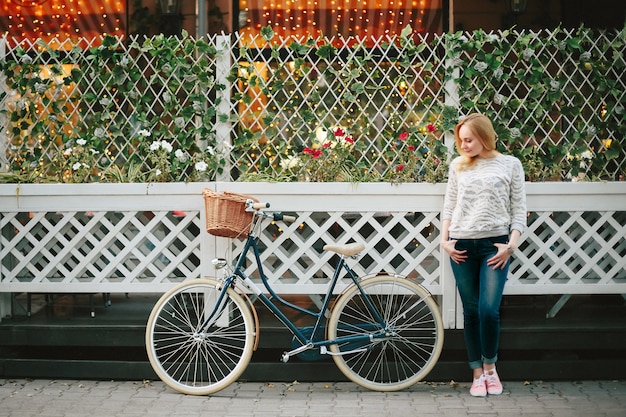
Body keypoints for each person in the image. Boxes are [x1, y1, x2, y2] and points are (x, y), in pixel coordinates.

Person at [440, 113, 527, 397]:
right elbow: (450, 206)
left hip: (495, 247)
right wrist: (445, 241)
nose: (463, 145)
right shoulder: (458, 166)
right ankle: (477, 373)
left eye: (469, 139)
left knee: (489, 310)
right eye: (460, 140)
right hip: (462, 245)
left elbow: (519, 210)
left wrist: (510, 245)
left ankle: (491, 368)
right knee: (472, 311)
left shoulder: (510, 164)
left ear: (484, 137)